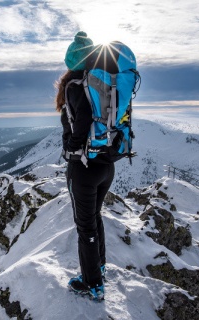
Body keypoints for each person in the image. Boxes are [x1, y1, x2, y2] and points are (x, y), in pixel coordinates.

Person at [55, 31, 115, 301]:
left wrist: (71, 146)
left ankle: (93, 284)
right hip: (106, 164)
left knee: (85, 227)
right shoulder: (100, 84)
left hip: (83, 168)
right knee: (95, 217)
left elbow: (83, 120)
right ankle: (99, 267)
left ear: (70, 61)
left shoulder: (74, 86)